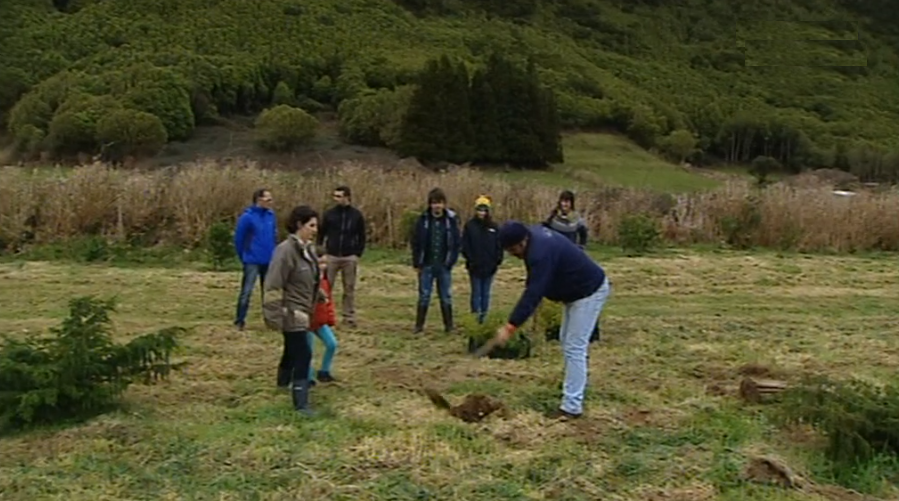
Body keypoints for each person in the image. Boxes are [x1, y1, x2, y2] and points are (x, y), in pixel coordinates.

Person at [491, 221, 611, 420]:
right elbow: (536, 283)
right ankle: (572, 387)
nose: (512, 254)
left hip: (589, 291)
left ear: (522, 242)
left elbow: (533, 292)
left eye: (512, 250)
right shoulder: (533, 239)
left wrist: (511, 325)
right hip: (574, 293)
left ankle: (572, 407)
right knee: (567, 342)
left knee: (574, 347)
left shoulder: (540, 252)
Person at [263, 205, 324, 416]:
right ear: (299, 225)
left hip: (304, 309)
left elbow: (309, 279)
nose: (315, 230)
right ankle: (301, 403)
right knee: (303, 354)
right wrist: (273, 315)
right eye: (312, 225)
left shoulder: (308, 249)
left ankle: (282, 382)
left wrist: (320, 296)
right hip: (291, 311)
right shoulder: (285, 251)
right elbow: (273, 284)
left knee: (291, 349)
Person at [411, 188, 461, 334]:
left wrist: (451, 262)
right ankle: (419, 326)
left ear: (444, 204)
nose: (437, 206)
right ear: (430, 204)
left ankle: (449, 326)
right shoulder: (423, 220)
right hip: (426, 264)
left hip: (444, 265)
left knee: (445, 296)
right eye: (434, 203)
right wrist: (417, 263)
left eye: (439, 203)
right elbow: (416, 242)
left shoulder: (450, 221)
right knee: (424, 296)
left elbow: (456, 243)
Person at [318, 185, 366, 328]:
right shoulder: (329, 214)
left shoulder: (356, 215)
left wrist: (357, 253)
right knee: (326, 287)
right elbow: (322, 233)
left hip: (349, 256)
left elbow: (362, 235)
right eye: (335, 196)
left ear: (347, 197)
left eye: (339, 196)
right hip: (331, 255)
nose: (336, 199)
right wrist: (321, 252)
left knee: (349, 288)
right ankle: (324, 316)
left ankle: (349, 317)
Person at [233, 188, 277, 330]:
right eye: (268, 199)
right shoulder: (247, 217)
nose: (271, 202)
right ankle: (240, 320)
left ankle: (270, 320)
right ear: (259, 200)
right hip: (252, 259)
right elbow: (239, 239)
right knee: (247, 291)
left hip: (268, 259)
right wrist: (244, 256)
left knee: (268, 293)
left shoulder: (271, 215)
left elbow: (273, 236)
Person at [461, 195, 503, 324]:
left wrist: (497, 261)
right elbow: (465, 245)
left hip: (489, 267)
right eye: (479, 209)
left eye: (484, 210)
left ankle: (484, 318)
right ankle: (475, 318)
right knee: (476, 294)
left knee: (486, 294)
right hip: (475, 267)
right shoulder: (470, 226)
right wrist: (471, 260)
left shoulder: (494, 227)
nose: (481, 213)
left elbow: (498, 245)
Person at [306, 248, 339, 385]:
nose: (323, 266)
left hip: (320, 322)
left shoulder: (325, 282)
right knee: (308, 350)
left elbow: (328, 302)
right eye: (320, 263)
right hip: (307, 323)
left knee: (332, 344)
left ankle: (324, 371)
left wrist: (330, 318)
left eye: (325, 263)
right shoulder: (306, 282)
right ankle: (308, 377)